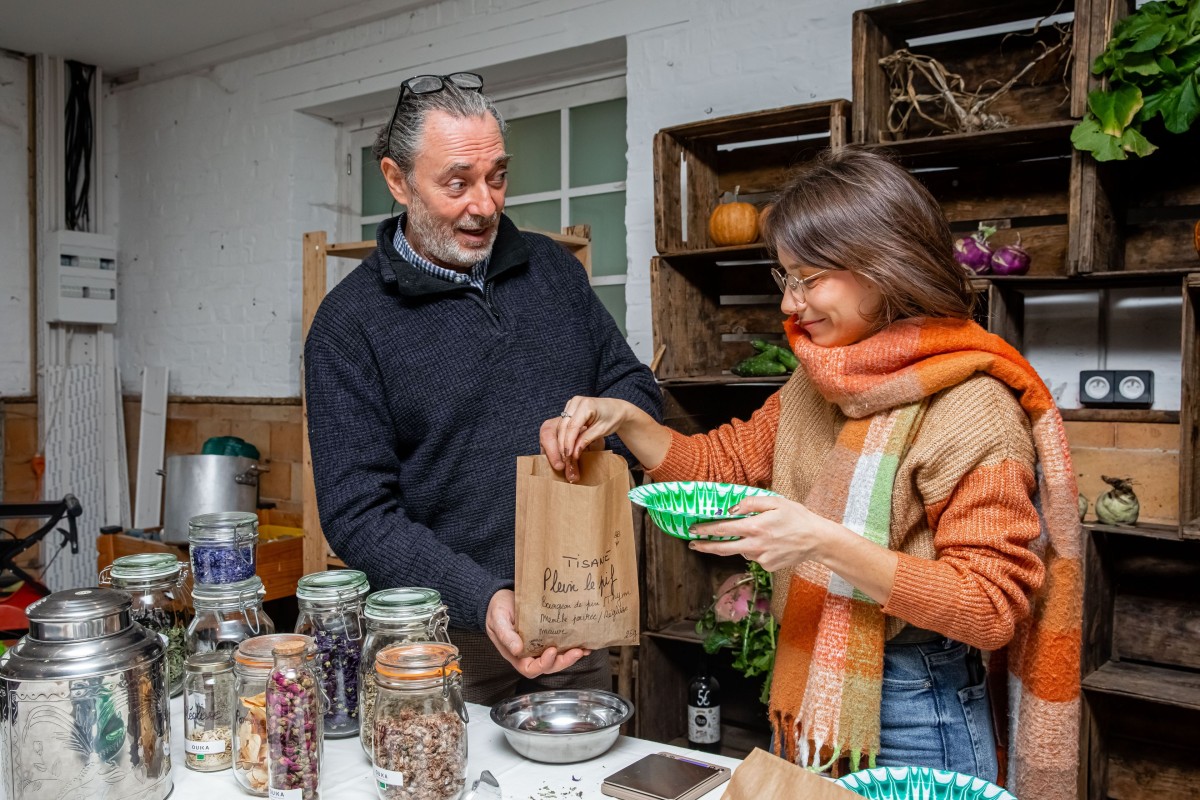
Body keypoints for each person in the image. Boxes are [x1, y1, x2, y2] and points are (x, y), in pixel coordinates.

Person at [542, 149, 1081, 799]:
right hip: (814, 691)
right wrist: (627, 418)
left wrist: (823, 543)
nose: (791, 304)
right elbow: (721, 463)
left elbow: (990, 608)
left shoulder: (973, 408)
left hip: (919, 707)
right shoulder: (818, 380)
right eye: (785, 278)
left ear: (886, 266)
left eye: (811, 278)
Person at [304, 72, 662, 705]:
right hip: (438, 645)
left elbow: (632, 383)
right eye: (457, 182)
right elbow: (357, 514)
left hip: (575, 616)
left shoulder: (552, 270)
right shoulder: (347, 325)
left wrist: (610, 420)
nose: (485, 204)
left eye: (497, 176)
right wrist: (483, 597)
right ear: (397, 180)